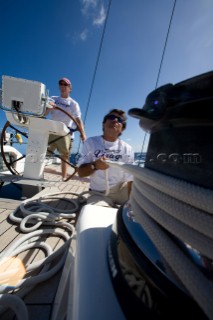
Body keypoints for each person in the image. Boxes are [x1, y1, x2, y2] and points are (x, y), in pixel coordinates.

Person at [77, 109, 134, 207]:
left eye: (119, 120)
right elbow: (81, 173)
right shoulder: (91, 142)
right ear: (103, 124)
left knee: (147, 200)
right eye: (111, 117)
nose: (115, 120)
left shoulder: (127, 148)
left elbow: (130, 179)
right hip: (99, 193)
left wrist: (132, 205)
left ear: (122, 129)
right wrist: (95, 165)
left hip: (120, 189)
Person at [45, 77, 86, 181]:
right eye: (61, 84)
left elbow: (78, 119)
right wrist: (49, 108)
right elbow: (44, 113)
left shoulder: (74, 104)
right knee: (44, 153)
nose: (63, 86)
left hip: (65, 133)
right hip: (52, 130)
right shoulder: (53, 99)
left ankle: (64, 177)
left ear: (70, 88)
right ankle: (38, 173)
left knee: (64, 156)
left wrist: (83, 133)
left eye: (65, 85)